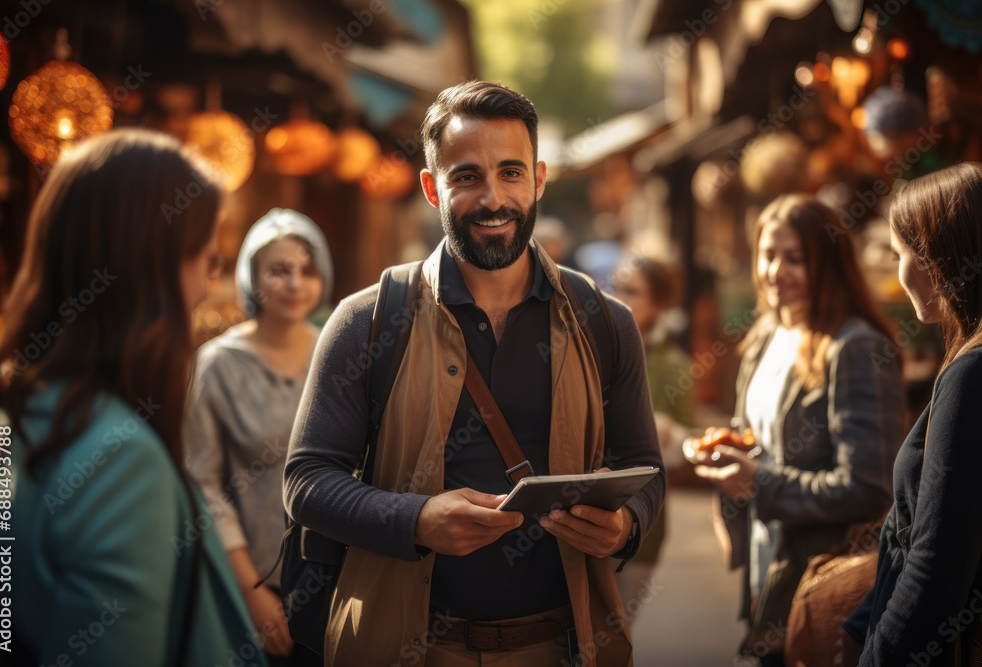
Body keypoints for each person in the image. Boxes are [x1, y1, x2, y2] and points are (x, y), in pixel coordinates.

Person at [284, 80, 665, 666]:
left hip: (562, 646)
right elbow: (306, 482)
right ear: (433, 188)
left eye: (511, 173)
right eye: (467, 177)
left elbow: (647, 470)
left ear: (538, 180)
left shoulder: (604, 322)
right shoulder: (367, 320)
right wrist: (414, 520)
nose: (493, 198)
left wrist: (625, 527)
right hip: (405, 646)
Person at [0, 129, 266, 667]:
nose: (208, 285)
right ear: (149, 267)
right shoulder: (118, 459)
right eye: (205, 259)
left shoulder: (4, 412)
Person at [690, 194, 905, 666]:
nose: (776, 271)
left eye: (796, 258)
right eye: (769, 254)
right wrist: (724, 456)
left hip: (822, 581)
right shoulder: (765, 335)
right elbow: (754, 441)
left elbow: (869, 489)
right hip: (766, 572)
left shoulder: (855, 348)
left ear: (828, 263)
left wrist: (756, 481)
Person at [844, 162, 982, 665]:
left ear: (936, 259)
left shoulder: (971, 375)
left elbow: (935, 565)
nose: (897, 272)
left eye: (901, 254)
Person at [184, 208, 333, 664]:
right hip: (251, 579)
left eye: (307, 270)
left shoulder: (338, 347)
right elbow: (202, 483)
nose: (294, 284)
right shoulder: (218, 364)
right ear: (251, 277)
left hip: (338, 578)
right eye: (279, 270)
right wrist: (249, 590)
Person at [610, 255, 695, 617]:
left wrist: (667, 434)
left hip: (639, 516)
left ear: (658, 304)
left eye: (632, 291)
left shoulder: (674, 365)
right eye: (616, 287)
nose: (619, 297)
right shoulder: (591, 344)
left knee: (616, 633)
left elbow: (683, 448)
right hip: (578, 507)